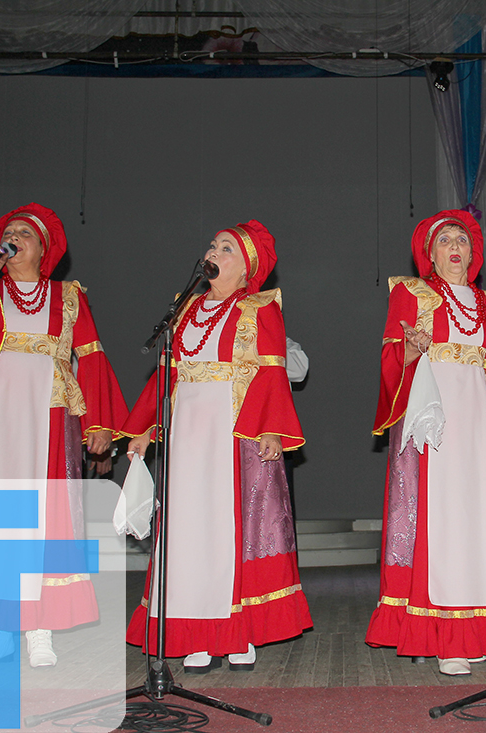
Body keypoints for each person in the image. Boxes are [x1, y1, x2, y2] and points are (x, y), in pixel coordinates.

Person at [0, 203, 129, 668]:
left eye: (24, 232)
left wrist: (99, 424)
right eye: (8, 231)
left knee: (44, 519)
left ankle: (39, 629)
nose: (13, 237)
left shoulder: (67, 297)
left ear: (43, 248)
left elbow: (91, 359)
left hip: (45, 423)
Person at [122, 220, 310, 673]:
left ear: (247, 268)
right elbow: (166, 377)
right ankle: (197, 632)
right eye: (213, 245)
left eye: (227, 248)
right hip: (188, 434)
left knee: (235, 530)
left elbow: (271, 372)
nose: (214, 251)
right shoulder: (184, 308)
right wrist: (146, 428)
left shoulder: (261, 307)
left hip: (235, 432)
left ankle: (238, 631)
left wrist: (271, 429)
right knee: (189, 531)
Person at [365, 210, 486, 676]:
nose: (455, 246)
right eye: (445, 239)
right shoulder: (412, 293)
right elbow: (391, 359)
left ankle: (476, 626)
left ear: (473, 255)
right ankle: (445, 634)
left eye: (462, 240)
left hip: (477, 424)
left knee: (480, 521)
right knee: (443, 519)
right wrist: (411, 348)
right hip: (433, 419)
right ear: (429, 254)